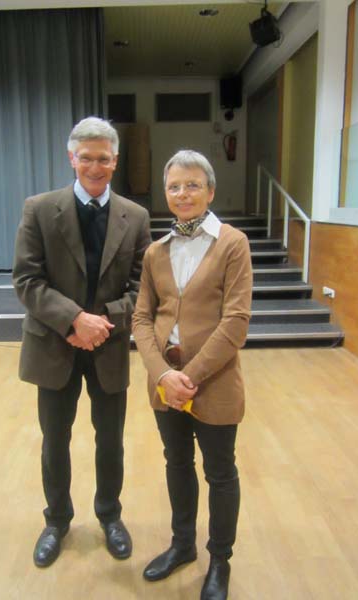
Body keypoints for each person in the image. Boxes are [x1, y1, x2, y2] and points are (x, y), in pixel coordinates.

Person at [13, 116, 151, 568]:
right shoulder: (39, 209)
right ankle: (56, 521)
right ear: (71, 158)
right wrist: (73, 320)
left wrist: (100, 322)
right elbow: (26, 280)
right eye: (86, 157)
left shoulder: (136, 217)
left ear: (116, 161)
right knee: (55, 440)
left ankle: (110, 516)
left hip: (108, 345)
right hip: (54, 344)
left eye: (103, 159)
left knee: (110, 440)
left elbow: (143, 287)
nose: (95, 166)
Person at [132, 150, 252, 600]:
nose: (183, 194)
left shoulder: (232, 243)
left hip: (215, 380)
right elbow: (142, 318)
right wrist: (163, 374)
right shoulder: (155, 251)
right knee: (177, 463)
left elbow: (236, 321)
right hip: (165, 381)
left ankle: (219, 560)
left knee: (220, 471)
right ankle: (182, 545)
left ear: (210, 191)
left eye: (193, 185)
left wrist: (191, 377)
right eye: (174, 186)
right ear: (166, 193)